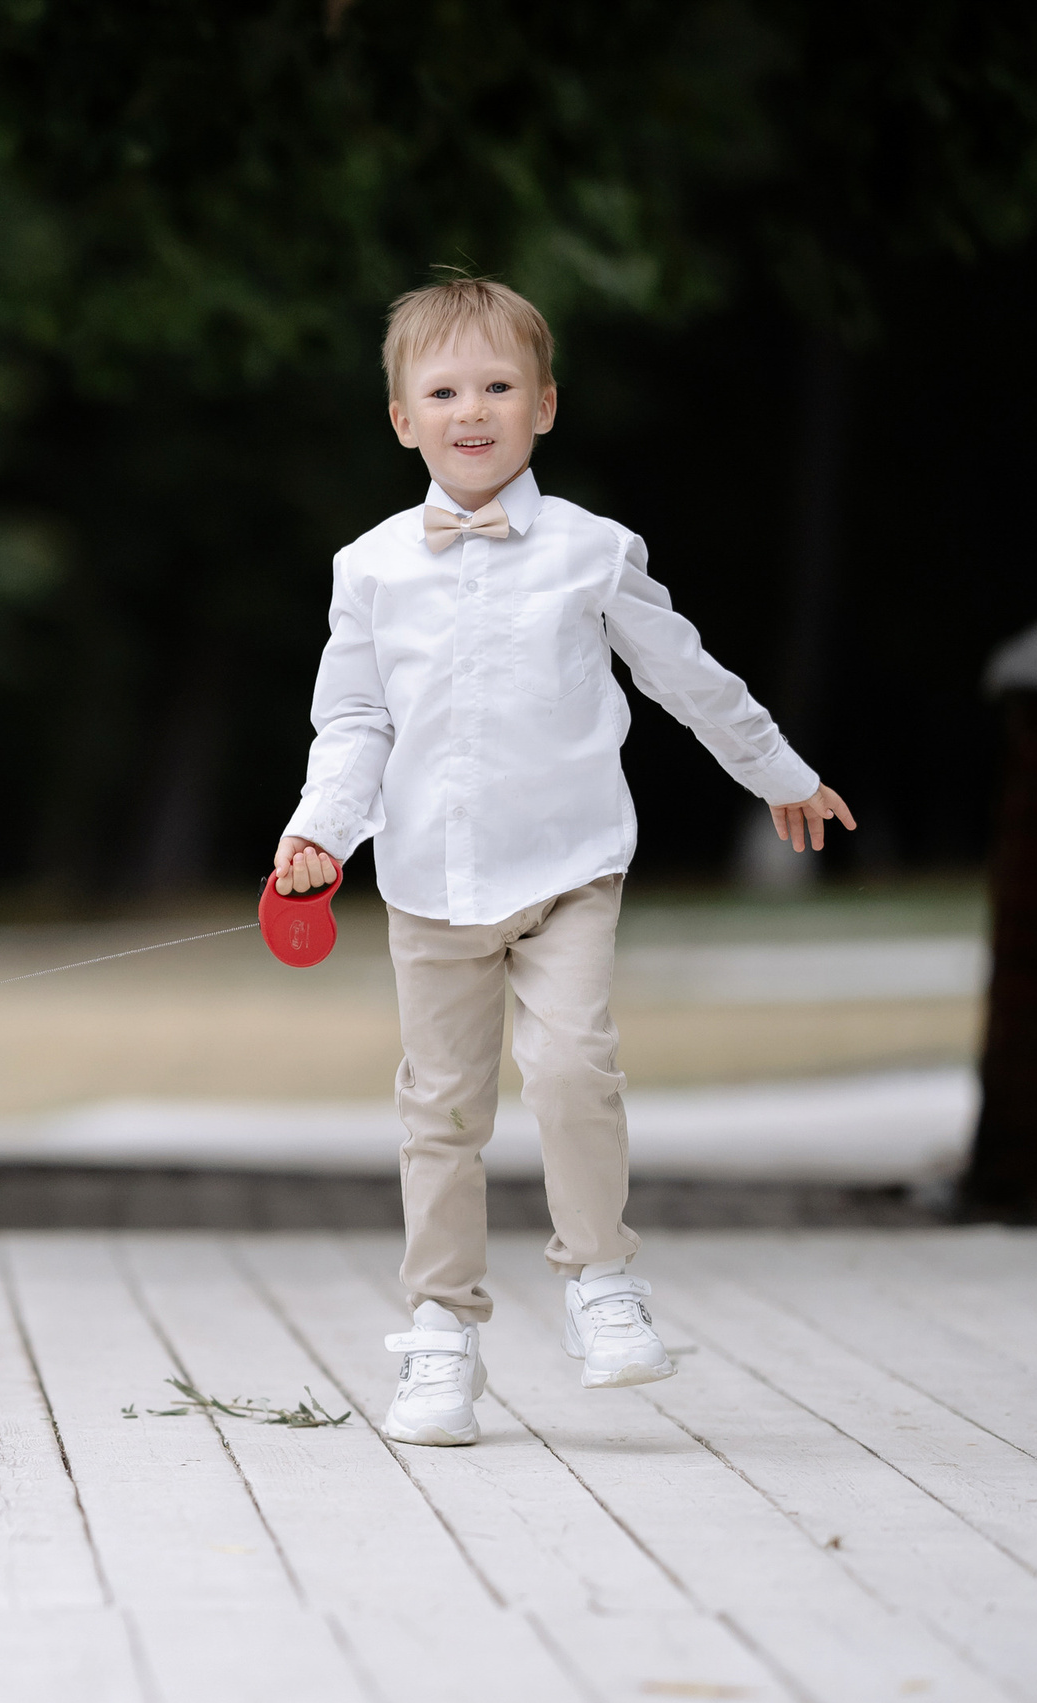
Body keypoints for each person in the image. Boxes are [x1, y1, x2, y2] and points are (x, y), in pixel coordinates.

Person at [269, 277, 852, 1447]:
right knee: (440, 1107)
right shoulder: (369, 566)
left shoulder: (593, 550)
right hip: (429, 883)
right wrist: (321, 826)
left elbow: (684, 673)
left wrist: (778, 770)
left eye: (497, 386)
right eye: (444, 392)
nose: (471, 410)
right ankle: (441, 1331)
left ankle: (600, 1278)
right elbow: (357, 719)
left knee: (575, 1064)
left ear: (543, 405)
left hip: (567, 867)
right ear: (402, 418)